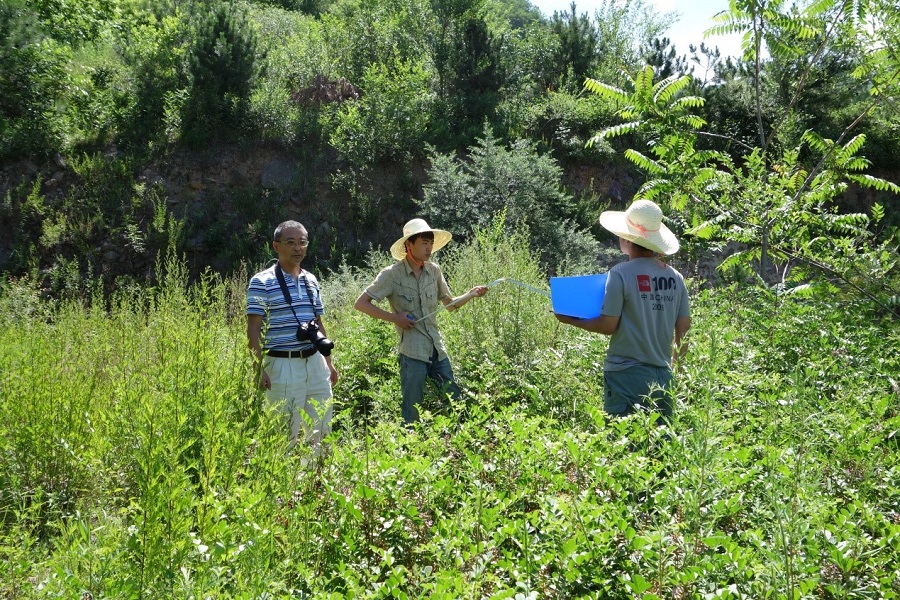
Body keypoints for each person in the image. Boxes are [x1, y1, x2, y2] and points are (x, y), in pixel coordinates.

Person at [554, 200, 691, 419]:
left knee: (624, 443)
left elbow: (608, 325)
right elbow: (683, 330)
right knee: (660, 447)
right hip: (663, 375)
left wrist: (569, 318)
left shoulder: (620, 274)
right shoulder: (676, 278)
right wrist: (677, 372)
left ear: (627, 238)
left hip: (625, 375)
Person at [354, 218, 488, 424]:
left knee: (454, 399)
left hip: (436, 348)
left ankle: (460, 440)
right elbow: (361, 303)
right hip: (412, 352)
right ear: (409, 245)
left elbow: (450, 305)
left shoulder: (433, 271)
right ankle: (409, 448)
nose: (429, 248)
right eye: (424, 243)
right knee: (412, 409)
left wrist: (471, 294)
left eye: (431, 243)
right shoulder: (392, 275)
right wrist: (395, 318)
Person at [247, 220, 338, 452]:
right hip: (282, 364)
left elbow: (318, 322)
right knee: (283, 432)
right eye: (291, 243)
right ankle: (282, 484)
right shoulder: (261, 281)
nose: (298, 248)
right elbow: (253, 329)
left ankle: (314, 481)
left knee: (321, 427)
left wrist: (329, 363)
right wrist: (257, 368)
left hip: (315, 362)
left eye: (302, 242)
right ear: (276, 246)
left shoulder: (311, 280)